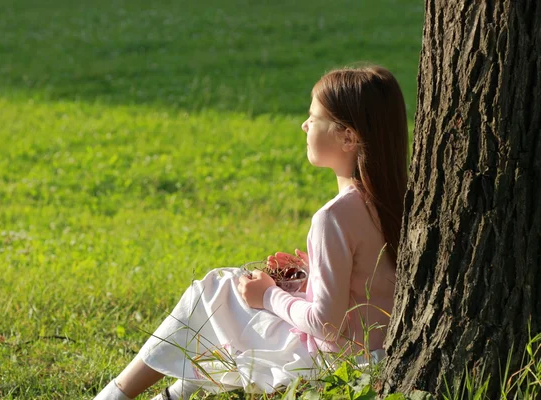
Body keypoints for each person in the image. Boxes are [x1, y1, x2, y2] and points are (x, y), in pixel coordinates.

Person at [94, 64, 408, 400]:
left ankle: (117, 395)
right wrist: (310, 277)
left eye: (313, 117)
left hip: (333, 365)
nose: (304, 125)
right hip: (375, 355)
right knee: (225, 292)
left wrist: (269, 296)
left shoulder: (333, 217)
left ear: (348, 136)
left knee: (216, 292)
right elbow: (366, 291)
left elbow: (327, 325)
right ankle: (167, 396)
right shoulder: (395, 199)